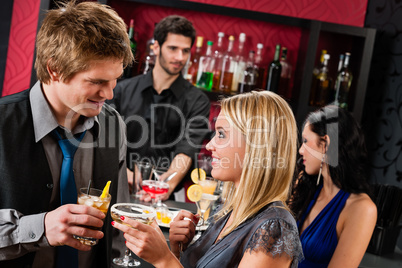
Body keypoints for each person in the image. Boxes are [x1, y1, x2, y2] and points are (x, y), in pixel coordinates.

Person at [0, 2, 132, 267]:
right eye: (97, 82)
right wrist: (40, 227)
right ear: (54, 69)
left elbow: (117, 225)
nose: (109, 94)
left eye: (115, 79)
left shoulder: (113, 124)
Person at [112, 91, 305, 267]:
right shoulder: (228, 212)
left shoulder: (274, 229)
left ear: (256, 146)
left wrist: (164, 259)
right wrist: (177, 250)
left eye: (221, 134)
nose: (210, 145)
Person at [108, 15, 210, 201]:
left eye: (185, 51)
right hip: (118, 184)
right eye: (173, 48)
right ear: (156, 47)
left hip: (166, 194)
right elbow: (108, 141)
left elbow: (187, 149)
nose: (180, 57)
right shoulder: (121, 90)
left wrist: (165, 185)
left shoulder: (198, 101)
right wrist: (128, 176)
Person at [289, 105, 377, 267]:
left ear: (326, 145)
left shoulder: (362, 209)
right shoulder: (304, 186)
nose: (301, 150)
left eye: (306, 141)